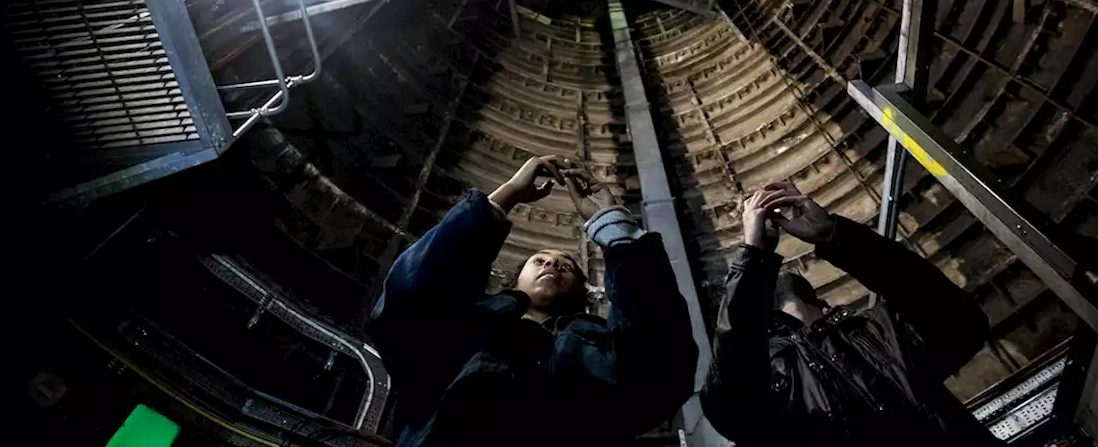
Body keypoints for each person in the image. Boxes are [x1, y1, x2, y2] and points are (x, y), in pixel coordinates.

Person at [368, 155, 697, 447]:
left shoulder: (602, 349)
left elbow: (660, 362)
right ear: (515, 281)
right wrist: (507, 194)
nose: (553, 264)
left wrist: (614, 226)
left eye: (565, 266)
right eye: (540, 260)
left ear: (584, 296)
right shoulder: (461, 322)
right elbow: (409, 300)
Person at [702, 182, 999, 445]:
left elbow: (959, 321)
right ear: (826, 305)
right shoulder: (876, 331)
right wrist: (826, 237)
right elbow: (732, 387)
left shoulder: (873, 329)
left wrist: (835, 236)